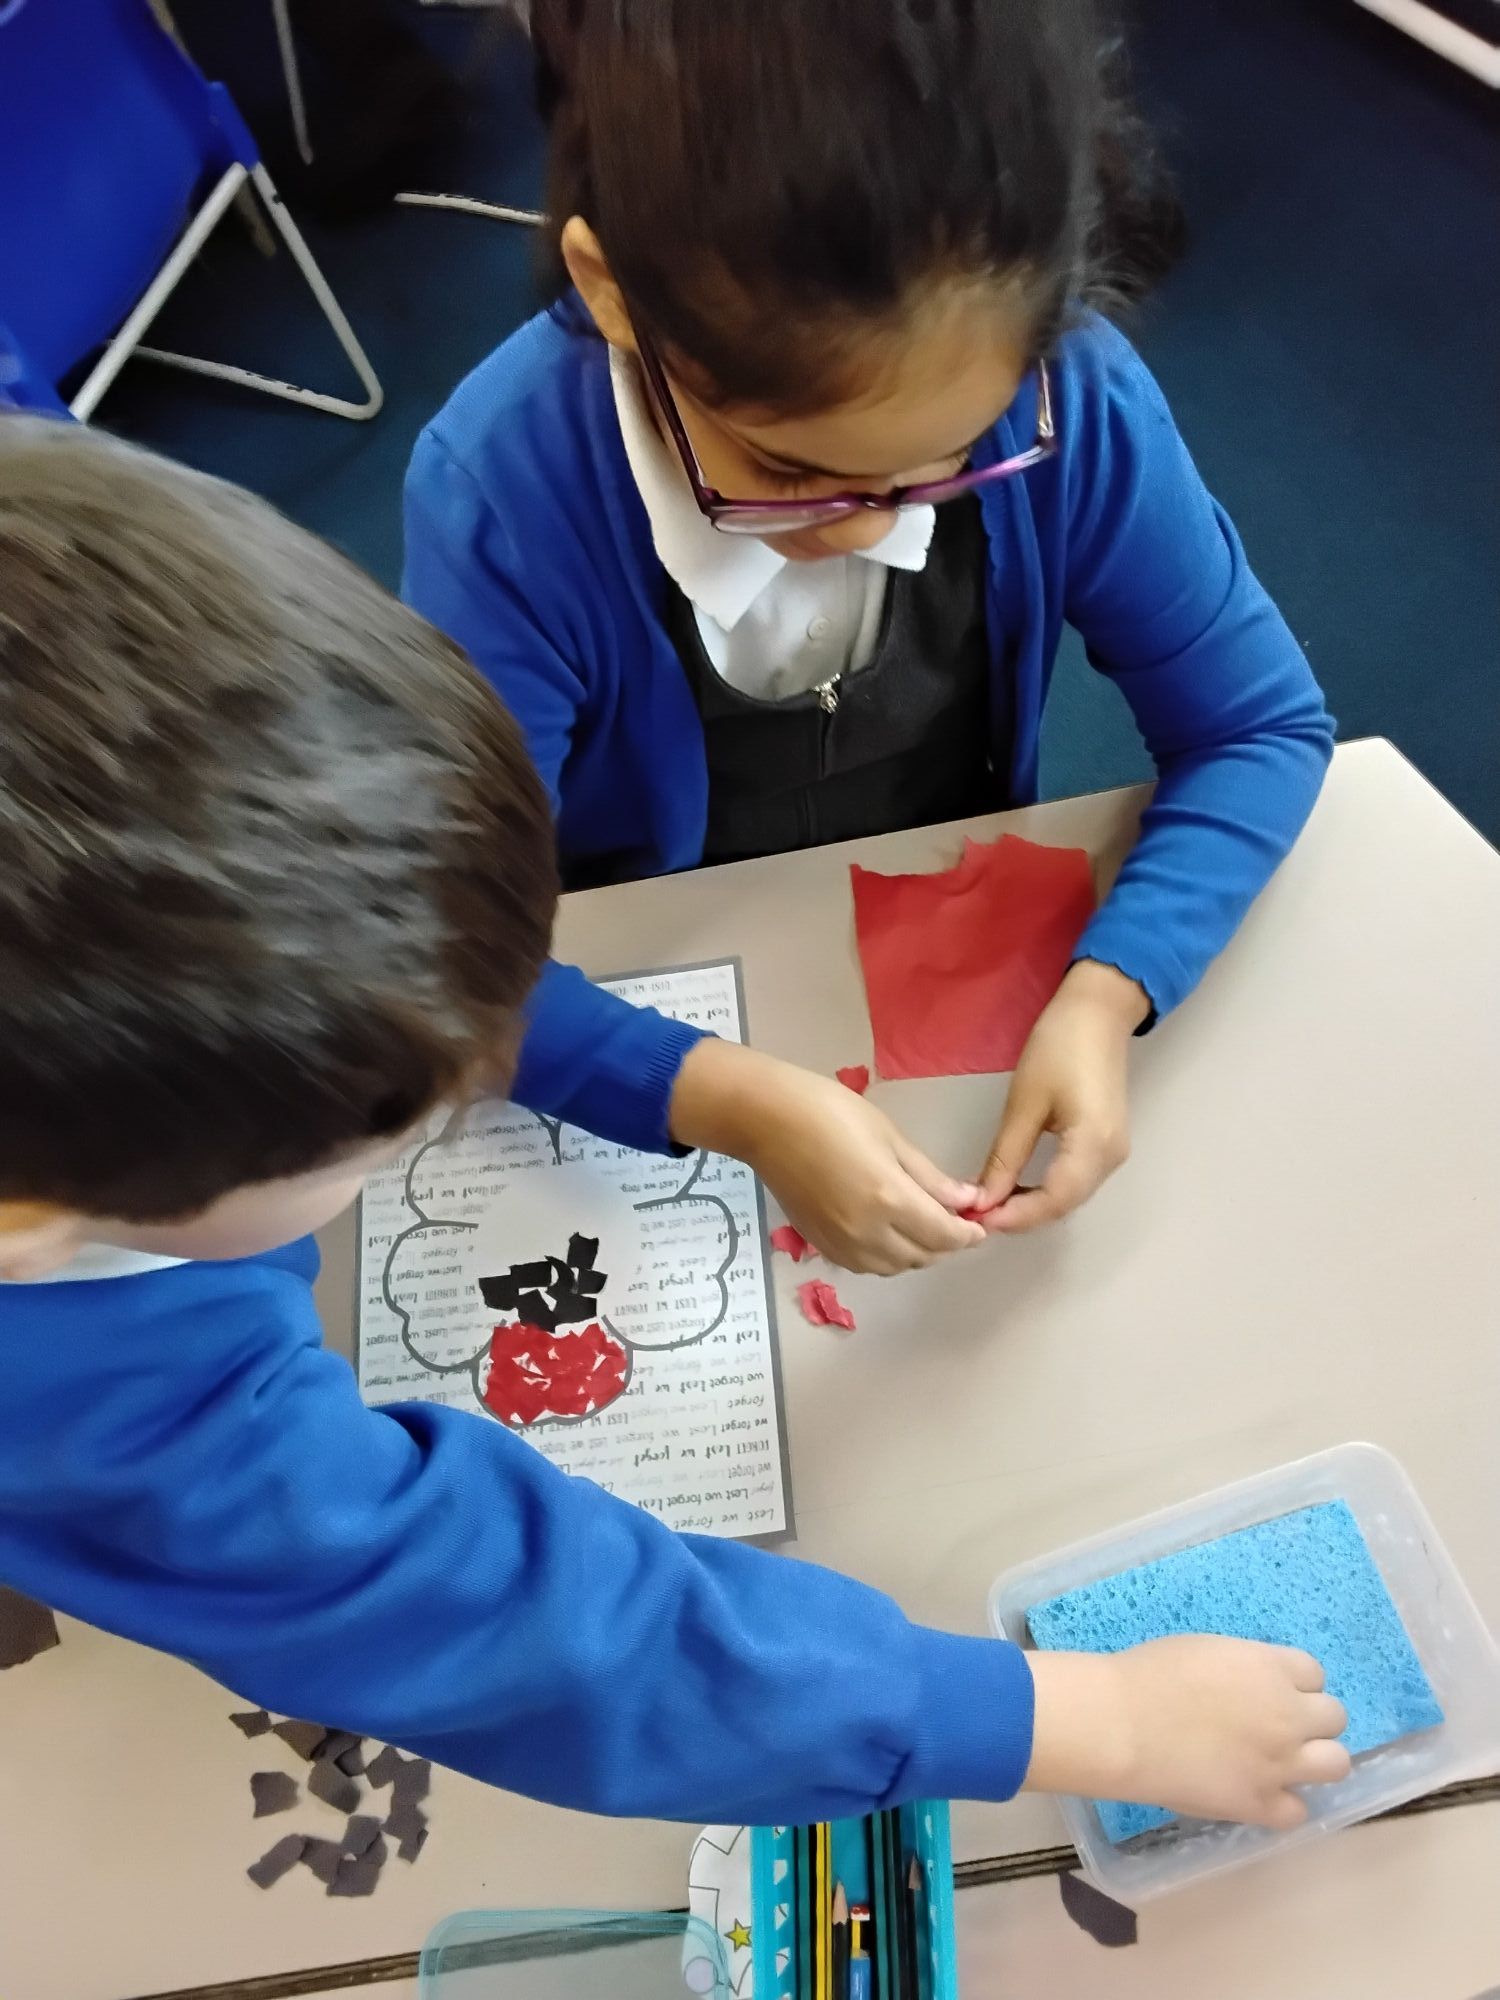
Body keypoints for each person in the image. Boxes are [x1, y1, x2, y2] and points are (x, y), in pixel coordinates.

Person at [0, 416, 1350, 1831]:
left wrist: (713, 1093)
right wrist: (1091, 1720)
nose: (453, 1109)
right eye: (391, 1122)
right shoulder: (110, 1400)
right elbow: (527, 1628)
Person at [402, 0, 1335, 1272]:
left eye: (944, 469)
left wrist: (1113, 986)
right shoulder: (507, 494)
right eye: (784, 471)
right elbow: (435, 939)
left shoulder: (1076, 400)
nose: (869, 533)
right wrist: (722, 1099)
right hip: (649, 978)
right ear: (613, 293)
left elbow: (1259, 723)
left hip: (928, 958)